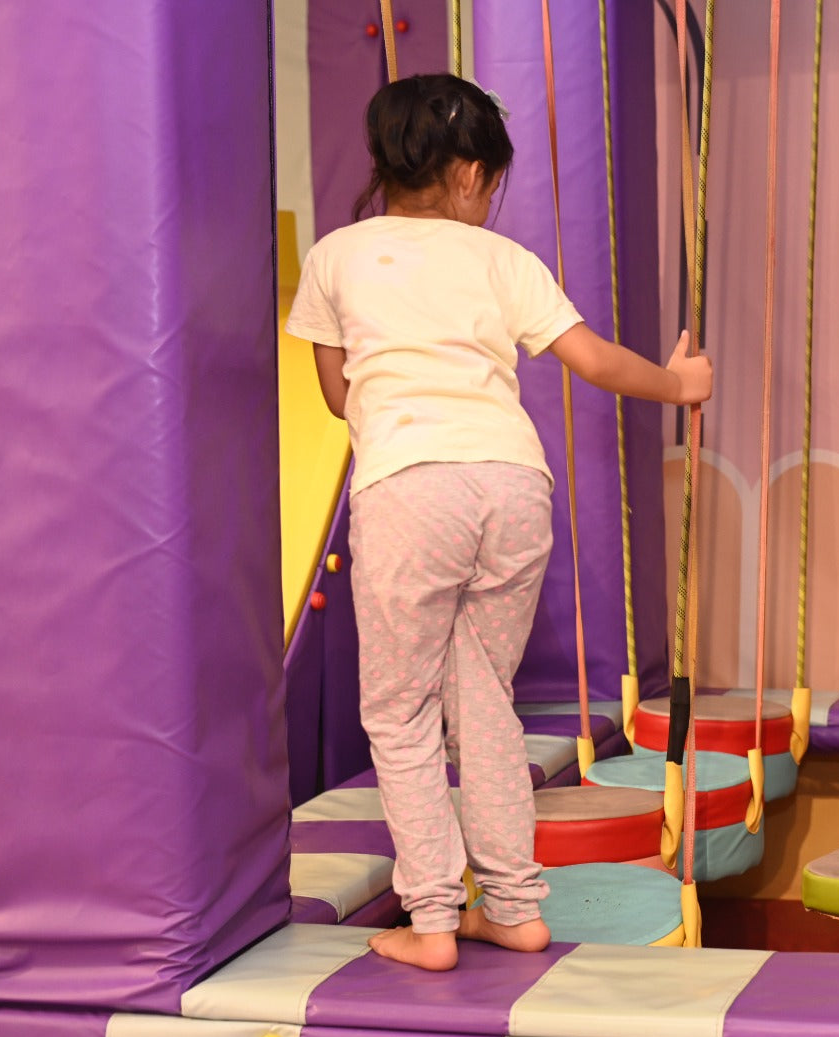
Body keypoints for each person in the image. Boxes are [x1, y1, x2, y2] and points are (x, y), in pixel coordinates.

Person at [286, 74, 712, 970]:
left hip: (411, 486)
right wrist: (680, 384)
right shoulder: (504, 260)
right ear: (474, 173)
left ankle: (434, 919)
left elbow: (337, 396)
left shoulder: (337, 255)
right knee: (482, 701)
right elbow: (594, 359)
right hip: (515, 485)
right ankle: (514, 906)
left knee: (400, 715)